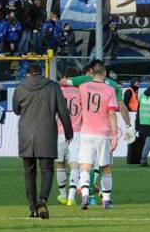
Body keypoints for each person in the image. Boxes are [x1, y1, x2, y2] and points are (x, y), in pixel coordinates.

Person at [13, 62, 73, 219]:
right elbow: (63, 112)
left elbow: (16, 109)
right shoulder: (53, 87)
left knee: (29, 172)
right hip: (46, 133)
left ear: (28, 74)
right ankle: (43, 199)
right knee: (47, 170)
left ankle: (32, 207)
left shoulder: (20, 87)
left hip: (26, 134)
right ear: (42, 73)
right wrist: (69, 132)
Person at [77, 61, 119, 210]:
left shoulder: (82, 88)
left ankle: (85, 195)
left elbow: (81, 108)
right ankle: (107, 201)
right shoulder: (109, 90)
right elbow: (112, 113)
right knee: (106, 166)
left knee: (85, 166)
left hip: (86, 132)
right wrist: (115, 135)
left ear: (91, 72)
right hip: (103, 133)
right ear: (105, 73)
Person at [57, 70, 83, 206]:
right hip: (76, 132)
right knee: (74, 165)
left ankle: (63, 195)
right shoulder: (80, 91)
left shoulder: (58, 90)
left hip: (59, 132)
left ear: (65, 77)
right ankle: (71, 198)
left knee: (60, 163)